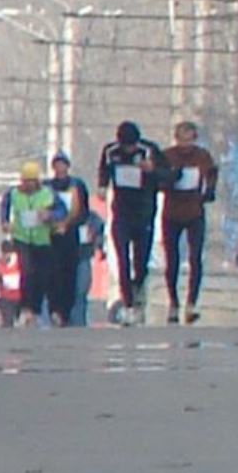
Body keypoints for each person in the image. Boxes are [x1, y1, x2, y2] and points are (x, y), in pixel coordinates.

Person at [98, 120, 171, 326]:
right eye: (125, 147)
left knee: (140, 260)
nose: (128, 150)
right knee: (122, 257)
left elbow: (168, 176)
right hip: (121, 212)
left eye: (131, 146)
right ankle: (128, 303)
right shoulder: (110, 151)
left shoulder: (149, 150)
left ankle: (139, 292)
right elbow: (103, 171)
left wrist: (152, 171)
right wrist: (102, 186)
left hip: (144, 211)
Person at [162, 121, 219, 325]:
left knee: (196, 258)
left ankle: (192, 303)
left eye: (189, 139)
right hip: (171, 212)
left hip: (195, 211)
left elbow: (212, 175)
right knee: (172, 259)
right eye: (181, 139)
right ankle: (173, 302)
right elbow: (158, 180)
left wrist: (209, 192)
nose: (185, 145)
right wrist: (170, 178)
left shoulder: (202, 156)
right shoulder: (167, 155)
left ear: (194, 139)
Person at [1, 161, 59, 327]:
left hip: (42, 239)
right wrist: (5, 222)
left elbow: (60, 210)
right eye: (25, 181)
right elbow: (4, 207)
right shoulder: (13, 194)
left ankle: (36, 309)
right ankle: (25, 309)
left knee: (41, 276)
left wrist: (50, 215)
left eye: (32, 181)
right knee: (27, 272)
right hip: (22, 237)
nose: (28, 185)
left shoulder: (47, 193)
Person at [45, 151, 90, 326]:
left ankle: (66, 311)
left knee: (69, 274)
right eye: (57, 164)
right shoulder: (47, 186)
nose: (60, 167)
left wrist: (70, 224)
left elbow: (84, 212)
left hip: (70, 236)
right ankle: (54, 309)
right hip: (50, 236)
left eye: (63, 164)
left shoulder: (76, 185)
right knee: (52, 275)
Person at [71, 210, 105, 327]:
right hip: (60, 259)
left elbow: (100, 230)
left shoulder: (90, 217)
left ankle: (79, 326)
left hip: (82, 258)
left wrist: (96, 240)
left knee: (80, 295)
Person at [0, 240, 22, 328]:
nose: (7, 255)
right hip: (4, 297)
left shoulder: (20, 262)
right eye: (5, 253)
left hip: (18, 296)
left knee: (19, 320)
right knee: (7, 321)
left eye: (9, 253)